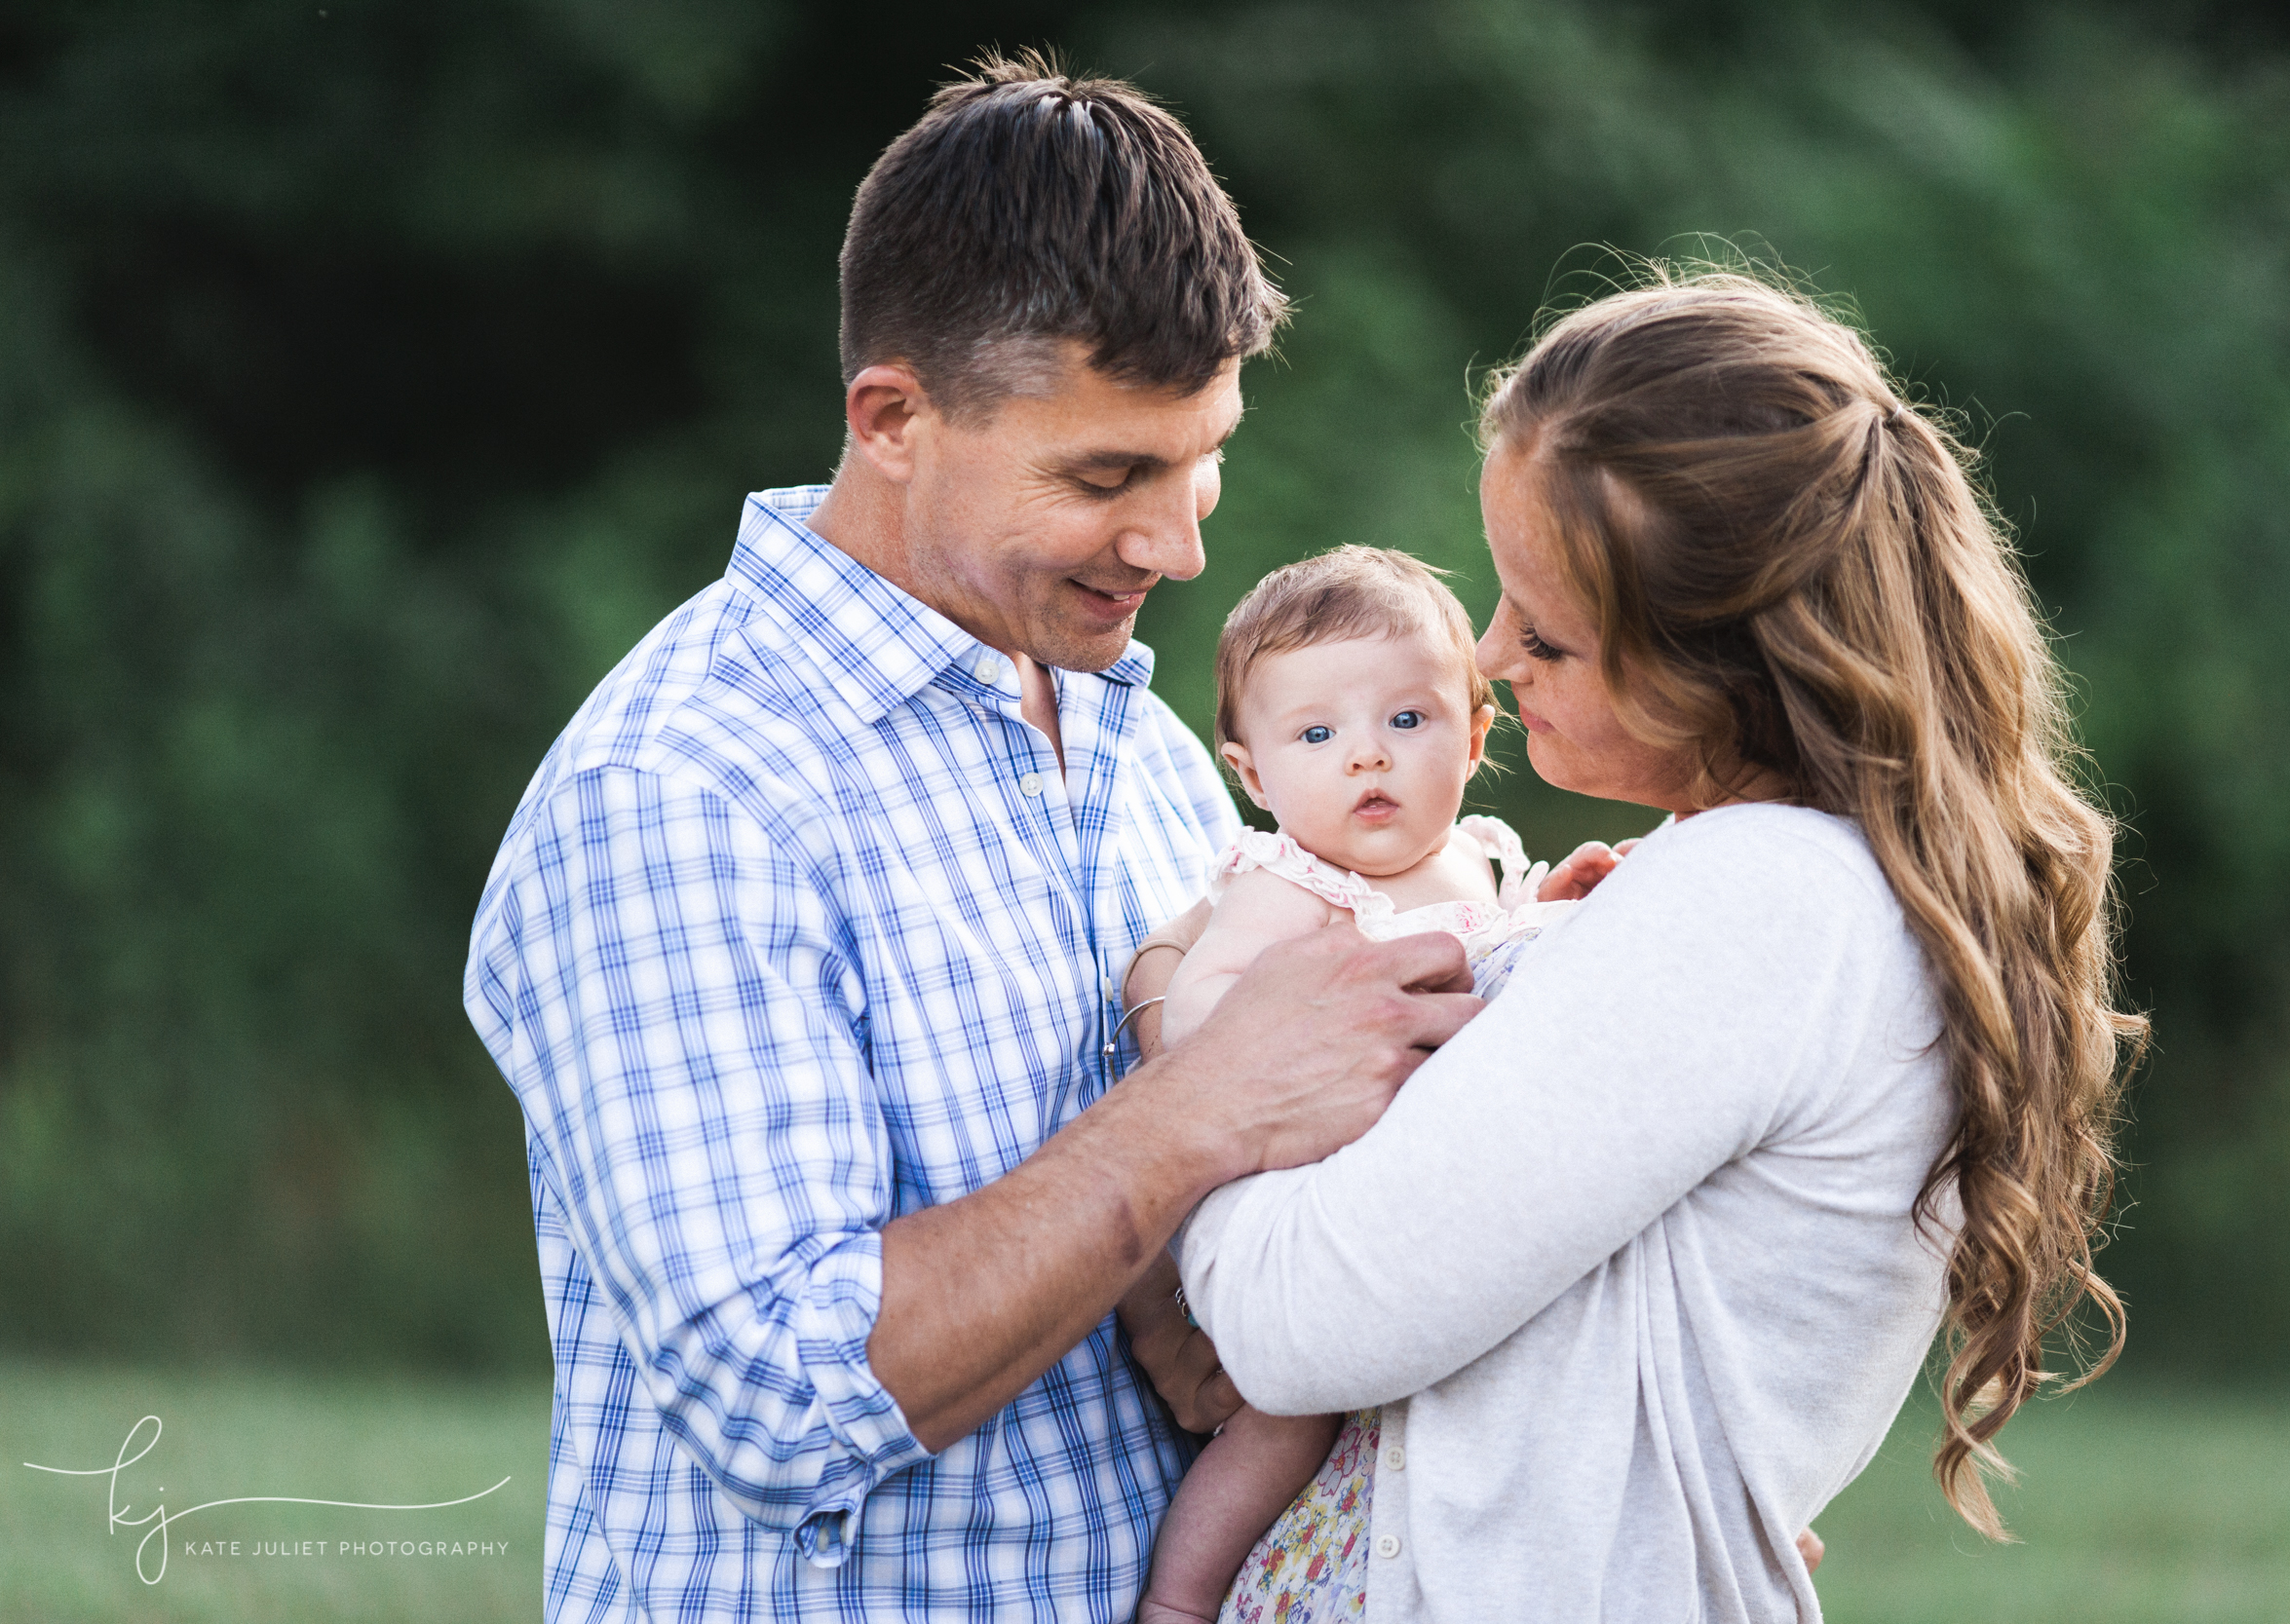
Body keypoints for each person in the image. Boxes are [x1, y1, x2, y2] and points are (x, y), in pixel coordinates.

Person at [462, 55, 1479, 1623]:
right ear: (893, 419)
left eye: (1202, 462)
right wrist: (1198, 1106)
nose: (1180, 542)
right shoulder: (681, 787)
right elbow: (787, 1399)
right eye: (1106, 474)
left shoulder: (1138, 738)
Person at [1160, 269, 2147, 1622]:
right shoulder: (1752, 888)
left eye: (1547, 633)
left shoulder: (1767, 900)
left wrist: (1201, 1086)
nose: (1492, 657)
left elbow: (1298, 1317)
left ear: (1724, 662)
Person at [1135, 546, 1615, 1624]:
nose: (1367, 759)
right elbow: (1196, 1012)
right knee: (1286, 1417)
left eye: (1407, 720)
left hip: (1426, 1212)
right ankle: (1181, 1594)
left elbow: (1479, 964)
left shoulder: (1472, 860)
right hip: (1303, 1195)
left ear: (1476, 732)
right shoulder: (1289, 882)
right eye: (1317, 735)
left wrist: (1551, 914)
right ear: (1253, 774)